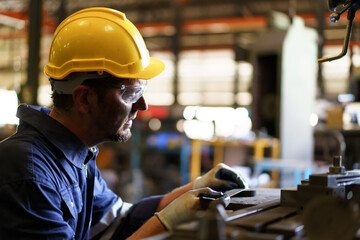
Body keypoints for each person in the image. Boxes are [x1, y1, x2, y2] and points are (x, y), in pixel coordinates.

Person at [0, 7, 246, 240]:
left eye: (142, 91)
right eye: (130, 94)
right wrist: (167, 222)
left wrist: (194, 190)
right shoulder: (28, 173)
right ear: (85, 98)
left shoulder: (74, 158)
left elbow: (118, 221)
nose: (142, 106)